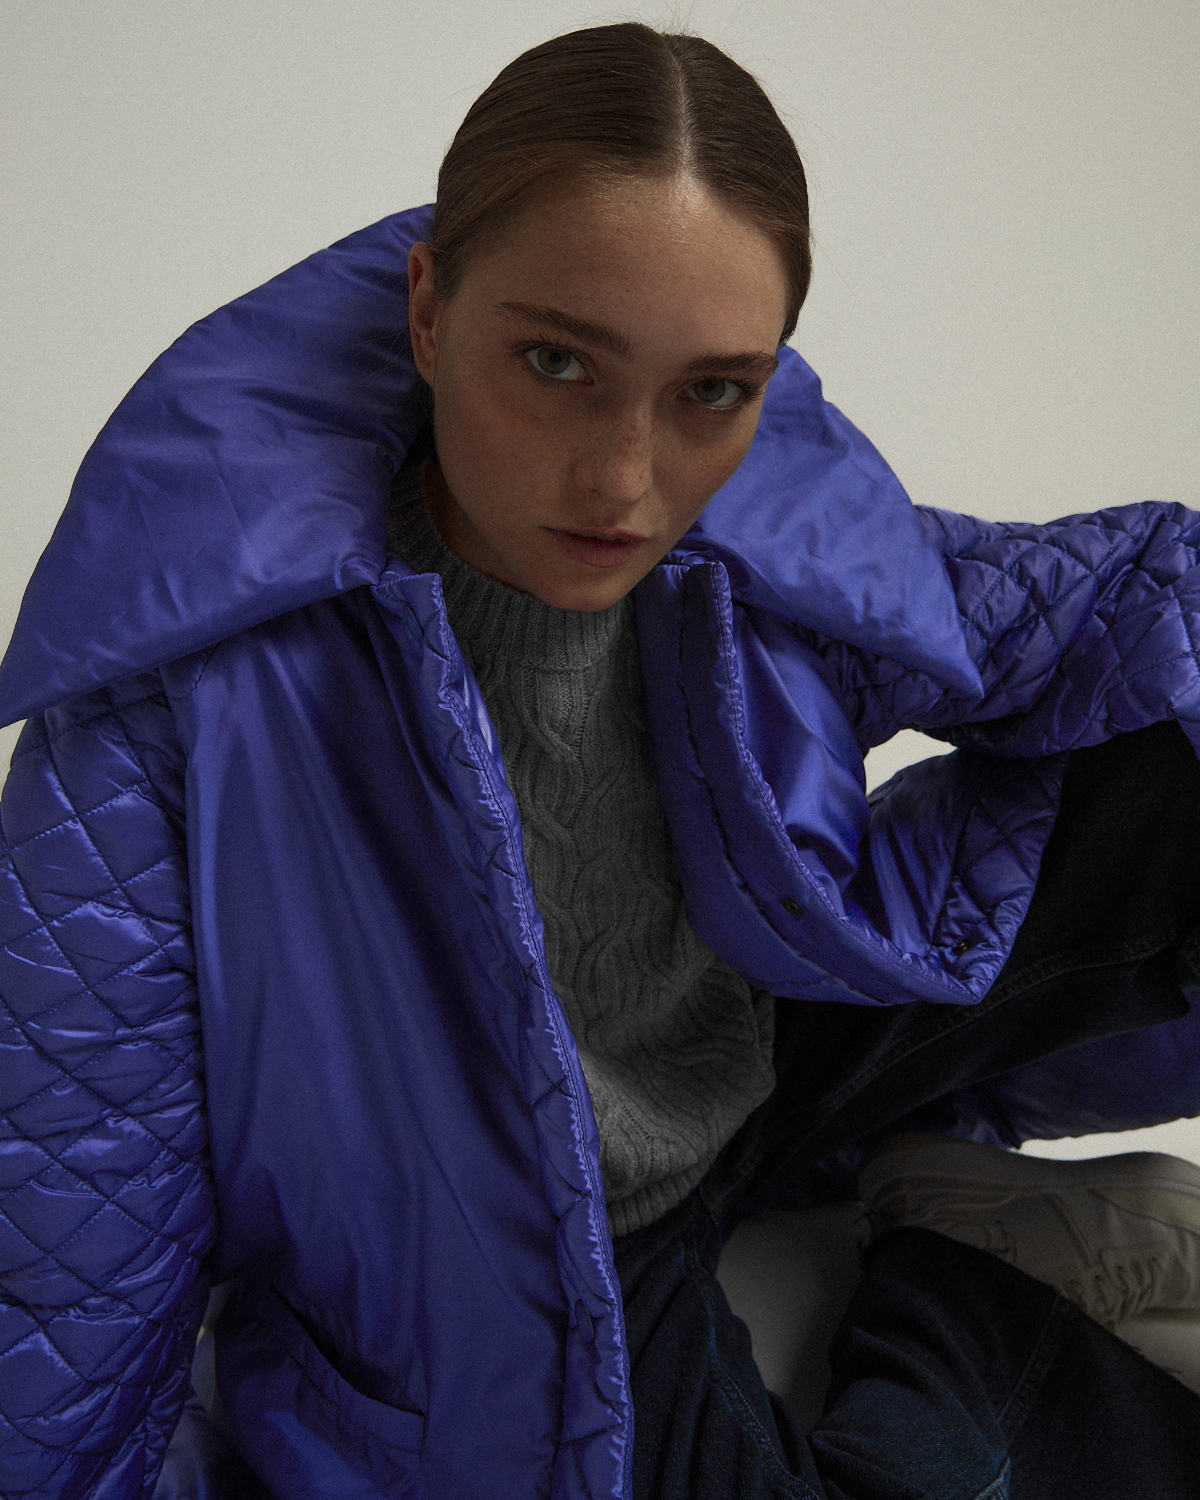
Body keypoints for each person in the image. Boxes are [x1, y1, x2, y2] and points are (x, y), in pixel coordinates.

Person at [2, 19, 1200, 1499]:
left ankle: (923, 1195)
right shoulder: (184, 706)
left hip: (764, 1064)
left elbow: (1087, 612)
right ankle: (968, 1295)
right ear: (429, 313)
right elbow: (75, 1227)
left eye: (711, 391)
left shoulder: (745, 544)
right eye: (557, 361)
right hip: (544, 1268)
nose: (628, 479)